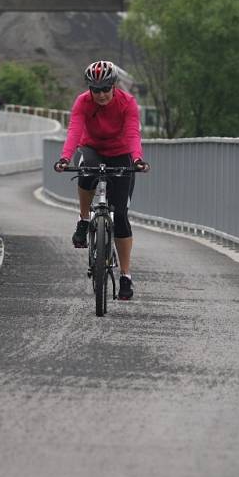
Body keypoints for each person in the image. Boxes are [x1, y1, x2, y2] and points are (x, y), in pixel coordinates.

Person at [53, 60, 150, 301]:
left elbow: (132, 133)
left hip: (121, 152)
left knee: (121, 217)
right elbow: (75, 130)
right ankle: (84, 220)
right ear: (89, 89)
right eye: (96, 90)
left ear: (114, 86)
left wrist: (137, 160)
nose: (101, 95)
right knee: (85, 170)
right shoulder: (82, 102)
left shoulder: (127, 103)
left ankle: (126, 276)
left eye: (106, 89)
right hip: (93, 147)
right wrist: (65, 158)